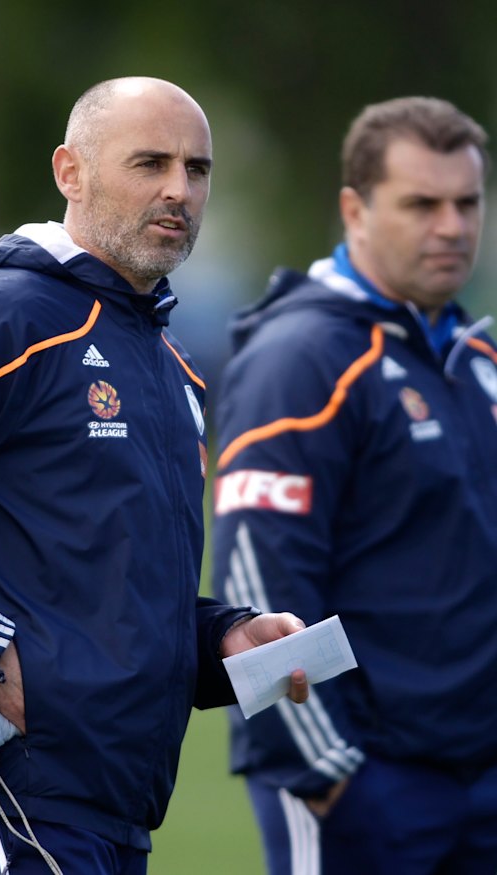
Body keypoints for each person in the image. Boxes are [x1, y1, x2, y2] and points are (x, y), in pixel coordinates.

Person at [0, 76, 309, 875]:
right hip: (4, 801)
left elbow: (100, 588)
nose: (178, 190)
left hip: (116, 814)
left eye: (197, 170)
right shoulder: (2, 318)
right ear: (71, 172)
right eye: (149, 162)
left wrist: (220, 636)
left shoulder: (173, 368)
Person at [212, 95, 497, 875]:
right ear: (354, 209)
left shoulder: (475, 358)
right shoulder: (302, 356)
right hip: (367, 786)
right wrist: (324, 772)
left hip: (479, 782)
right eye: (421, 203)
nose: (452, 226)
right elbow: (257, 576)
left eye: (467, 202)